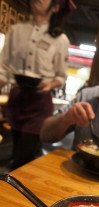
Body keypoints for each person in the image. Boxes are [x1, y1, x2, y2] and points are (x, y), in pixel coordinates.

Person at [0, 0, 75, 170]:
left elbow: (61, 76)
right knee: (11, 151)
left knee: (22, 158)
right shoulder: (16, 31)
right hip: (16, 98)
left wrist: (49, 85)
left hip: (39, 104)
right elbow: (3, 69)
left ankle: (14, 188)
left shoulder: (60, 40)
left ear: (55, 6)